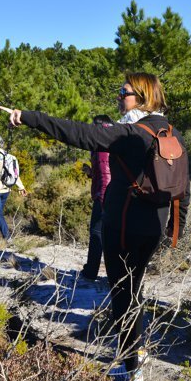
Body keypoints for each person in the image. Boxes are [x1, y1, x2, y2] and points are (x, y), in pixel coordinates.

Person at [4, 72, 186, 381]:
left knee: (122, 293)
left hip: (124, 222)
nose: (118, 97)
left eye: (124, 92)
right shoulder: (172, 132)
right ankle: (136, 354)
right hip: (153, 226)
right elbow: (182, 186)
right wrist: (176, 225)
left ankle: (131, 367)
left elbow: (78, 133)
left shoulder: (130, 133)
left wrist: (30, 118)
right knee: (135, 288)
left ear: (141, 97)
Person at [80, 115, 113, 282]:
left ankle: (91, 271)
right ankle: (111, 273)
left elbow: (106, 173)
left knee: (97, 233)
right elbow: (105, 170)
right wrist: (91, 173)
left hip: (105, 195)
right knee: (108, 235)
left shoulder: (101, 145)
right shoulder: (111, 139)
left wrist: (102, 198)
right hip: (111, 194)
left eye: (93, 126)